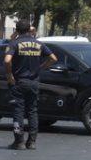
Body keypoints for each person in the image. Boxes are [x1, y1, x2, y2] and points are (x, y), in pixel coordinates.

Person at [4, 19, 56, 150]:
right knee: (32, 111)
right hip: (33, 82)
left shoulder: (15, 43)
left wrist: (9, 74)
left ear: (17, 30)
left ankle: (19, 141)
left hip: (18, 82)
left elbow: (7, 59)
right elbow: (53, 58)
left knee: (18, 111)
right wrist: (41, 67)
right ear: (29, 29)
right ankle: (32, 141)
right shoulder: (38, 44)